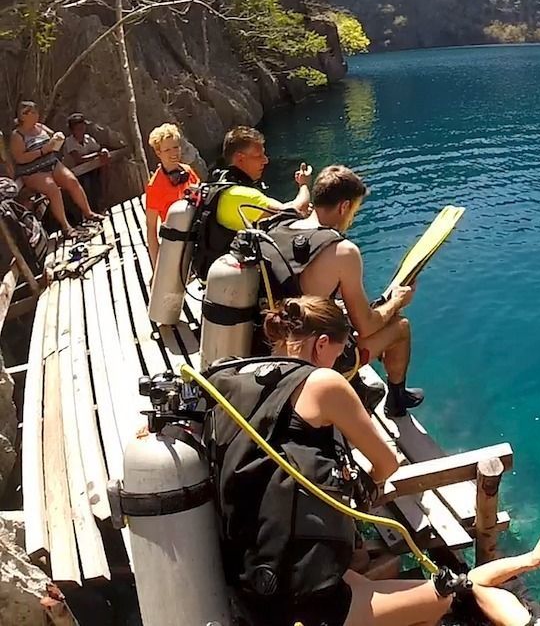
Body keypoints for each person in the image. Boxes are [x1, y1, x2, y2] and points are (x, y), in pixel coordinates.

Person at [204, 295, 458, 626]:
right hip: (300, 598)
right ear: (322, 344)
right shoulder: (322, 383)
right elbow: (387, 462)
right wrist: (365, 488)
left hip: (251, 574)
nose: (337, 367)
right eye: (336, 358)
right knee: (443, 599)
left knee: (370, 578)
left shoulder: (235, 373)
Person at [259, 165, 424, 418]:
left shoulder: (278, 229)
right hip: (316, 357)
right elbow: (366, 326)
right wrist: (398, 301)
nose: (352, 218)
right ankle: (396, 401)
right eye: (355, 211)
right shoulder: (342, 251)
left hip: (269, 342)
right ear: (344, 206)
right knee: (400, 327)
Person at [190, 125, 312, 279]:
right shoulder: (242, 195)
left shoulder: (220, 187)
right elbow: (295, 209)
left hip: (216, 275)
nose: (265, 160)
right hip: (234, 281)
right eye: (258, 156)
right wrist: (304, 185)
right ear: (240, 158)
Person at [7, 100, 103, 239]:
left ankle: (88, 213)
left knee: (71, 181)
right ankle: (66, 227)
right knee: (52, 189)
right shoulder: (18, 135)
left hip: (52, 163)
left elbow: (53, 137)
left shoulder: (40, 127)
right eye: (32, 112)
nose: (36, 114)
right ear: (23, 116)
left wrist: (57, 138)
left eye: (36, 111)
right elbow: (20, 158)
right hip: (32, 171)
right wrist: (42, 151)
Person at [144, 123, 200, 265]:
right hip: (176, 240)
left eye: (175, 147)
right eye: (167, 149)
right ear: (158, 153)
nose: (173, 153)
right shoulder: (155, 186)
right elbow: (151, 229)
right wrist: (156, 266)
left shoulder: (187, 171)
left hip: (196, 232)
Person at [63, 112, 111, 212]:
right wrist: (97, 154)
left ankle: (103, 202)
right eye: (78, 129)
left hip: (88, 169)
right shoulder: (69, 141)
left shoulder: (88, 139)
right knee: (87, 186)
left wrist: (103, 151)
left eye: (83, 127)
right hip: (74, 173)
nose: (81, 131)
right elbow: (79, 159)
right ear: (73, 130)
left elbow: (98, 148)